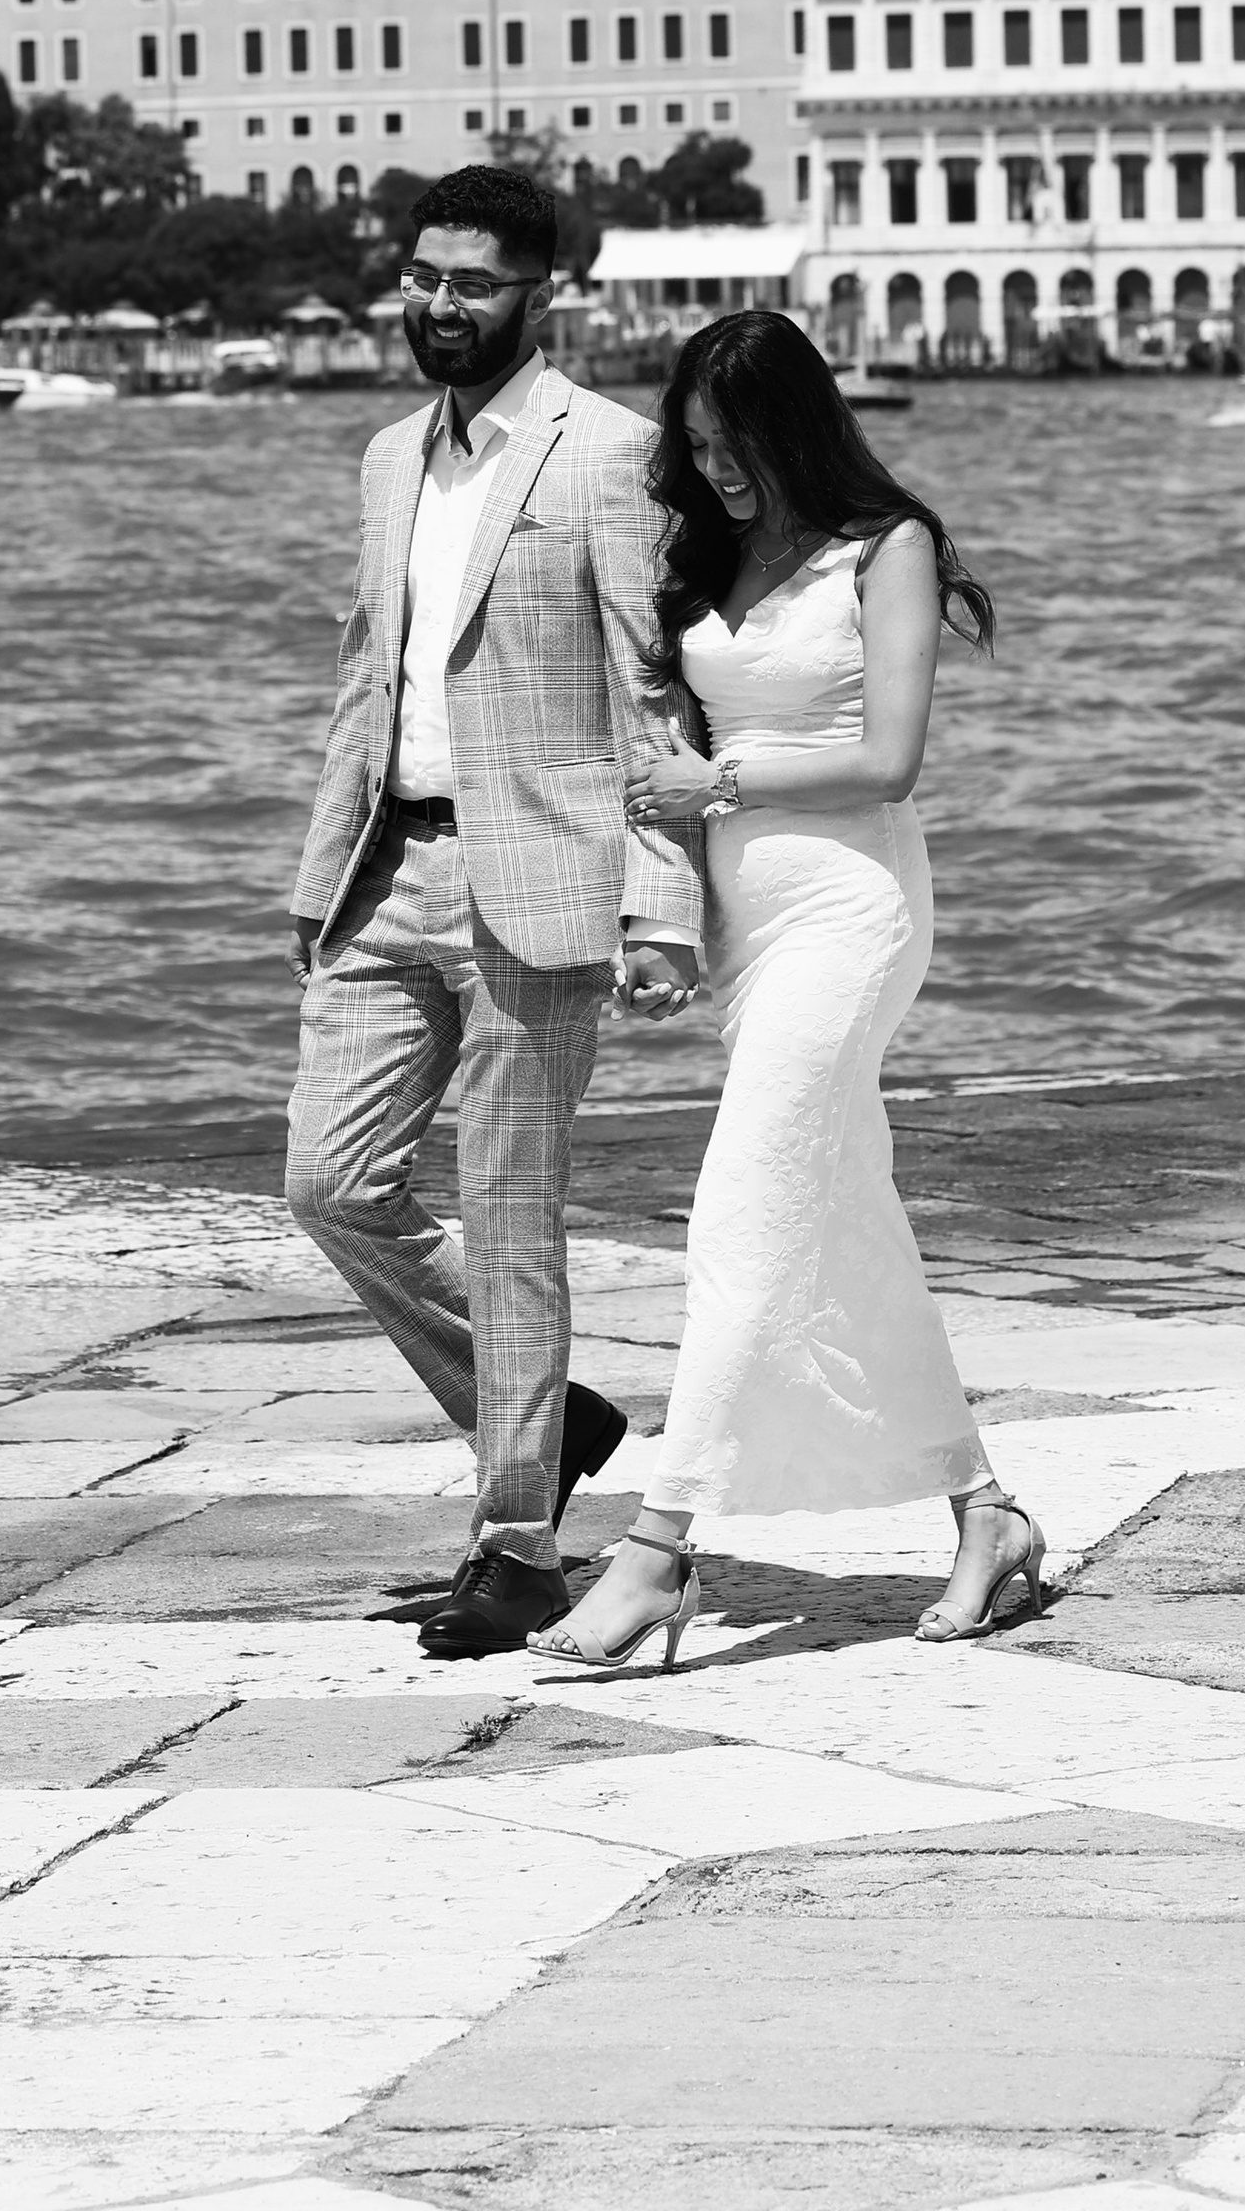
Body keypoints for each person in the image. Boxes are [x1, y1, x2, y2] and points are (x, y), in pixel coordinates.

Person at [535, 309, 1044, 1675]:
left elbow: (890, 759)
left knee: (740, 1209)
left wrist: (724, 784)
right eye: (695, 449)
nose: (717, 473)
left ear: (795, 426)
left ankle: (658, 1550)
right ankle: (985, 1514)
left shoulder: (891, 548)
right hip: (751, 928)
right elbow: (659, 750)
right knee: (850, 1223)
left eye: (736, 445)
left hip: (855, 910)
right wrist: (665, 915)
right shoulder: (711, 551)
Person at [283, 164, 703, 1660]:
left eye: (471, 283)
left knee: (514, 1215)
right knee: (329, 1182)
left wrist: (664, 902)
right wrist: (321, 870)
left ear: (541, 297)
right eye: (421, 276)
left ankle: (518, 1542)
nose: (437, 304)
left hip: (546, 880)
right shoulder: (390, 456)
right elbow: (364, 673)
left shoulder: (611, 456)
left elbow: (653, 692)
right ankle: (548, 1416)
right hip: (388, 869)